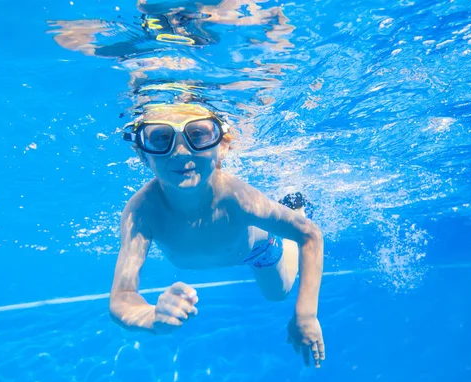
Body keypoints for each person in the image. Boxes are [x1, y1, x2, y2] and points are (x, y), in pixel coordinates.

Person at [109, 103, 325, 368]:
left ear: (222, 145)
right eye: (161, 138)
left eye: (198, 135)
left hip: (259, 251)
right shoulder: (141, 213)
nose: (179, 151)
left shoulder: (237, 197)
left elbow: (310, 235)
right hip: (232, 249)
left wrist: (306, 315)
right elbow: (122, 296)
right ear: (142, 153)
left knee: (277, 294)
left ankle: (295, 209)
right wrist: (150, 316)